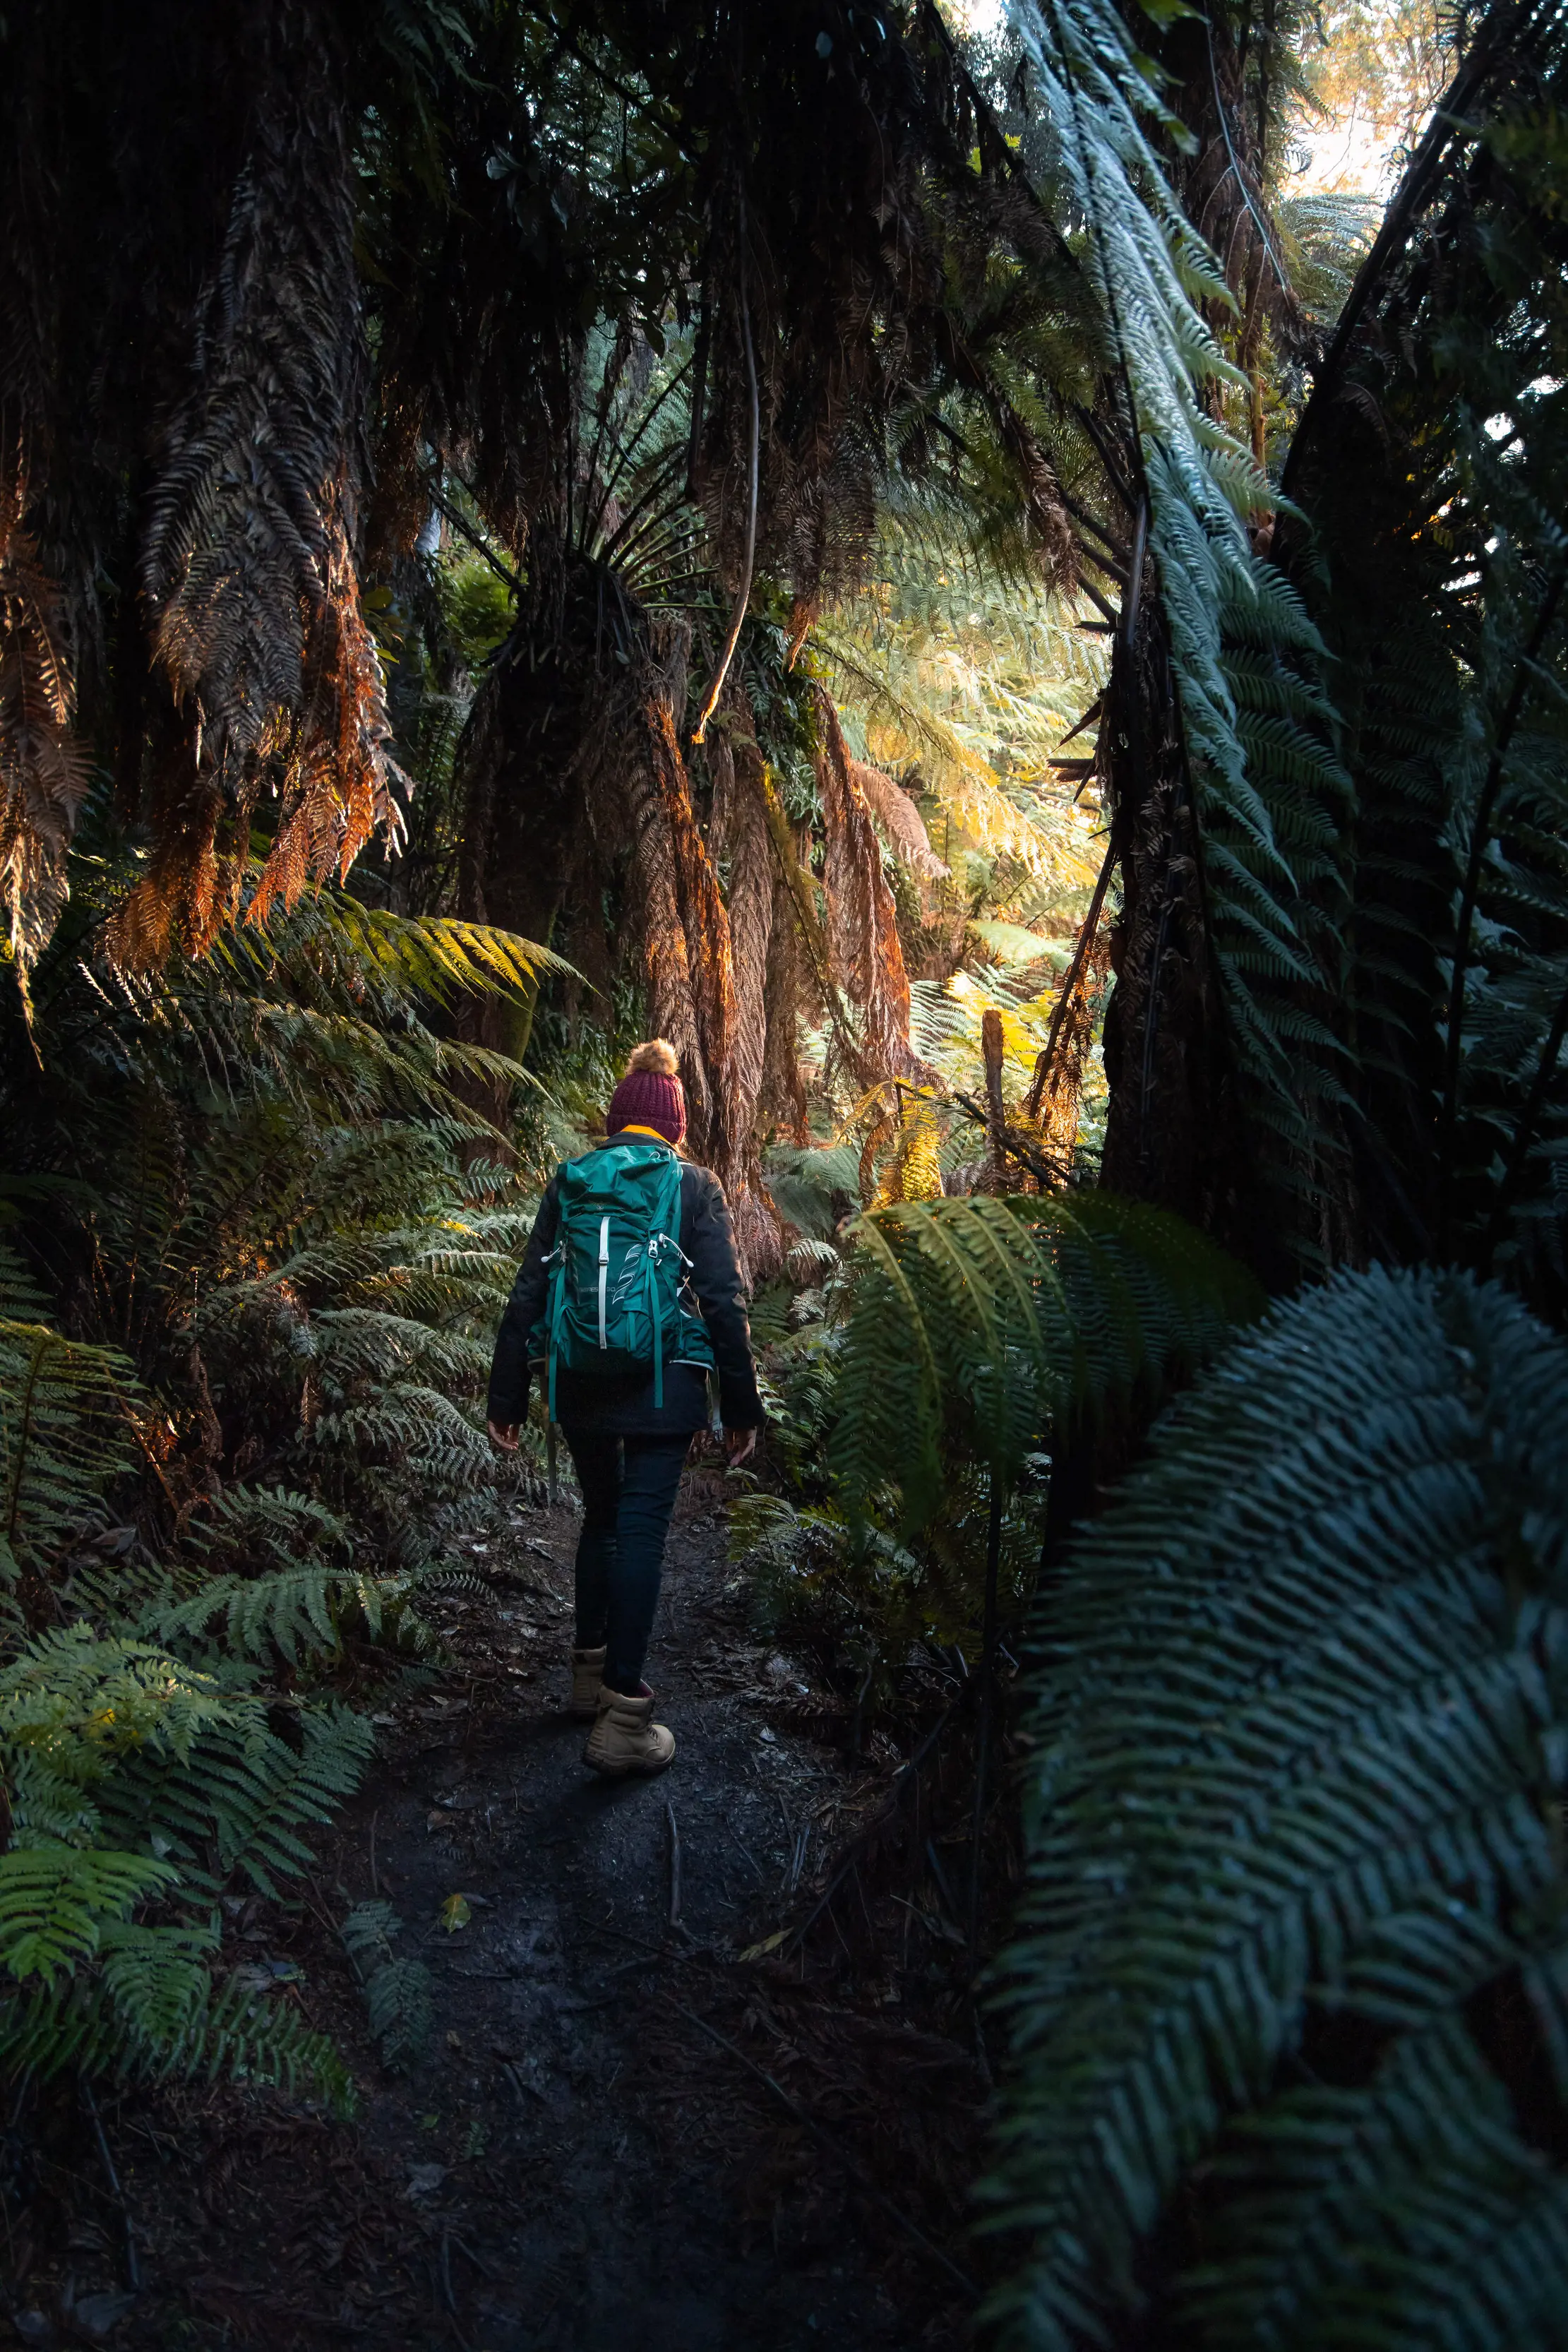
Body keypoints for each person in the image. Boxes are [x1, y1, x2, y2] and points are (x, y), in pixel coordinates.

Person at [486, 1040, 764, 1779]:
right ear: (674, 1125)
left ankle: (586, 1678)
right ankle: (623, 1719)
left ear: (614, 1120)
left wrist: (506, 1394)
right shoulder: (692, 1184)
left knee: (601, 1518)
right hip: (665, 1382)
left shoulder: (572, 1178)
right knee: (641, 1529)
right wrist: (742, 1405)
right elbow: (723, 1302)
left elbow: (529, 1290)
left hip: (577, 1380)